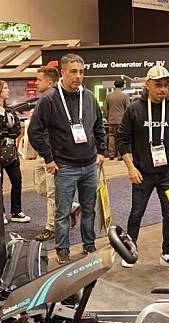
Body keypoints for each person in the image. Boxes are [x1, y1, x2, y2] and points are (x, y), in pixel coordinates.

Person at [28, 54, 106, 264]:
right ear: (62, 72)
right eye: (73, 71)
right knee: (62, 212)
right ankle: (62, 249)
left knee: (88, 208)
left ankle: (89, 244)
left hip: (90, 164)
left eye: (81, 72)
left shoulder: (88, 97)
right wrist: (48, 158)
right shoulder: (49, 99)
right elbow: (34, 132)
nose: (78, 76)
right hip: (64, 167)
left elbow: (99, 127)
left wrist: (101, 152)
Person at [116, 65, 169, 270]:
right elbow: (122, 139)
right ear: (147, 85)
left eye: (165, 85)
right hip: (142, 172)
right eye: (158, 85)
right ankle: (129, 250)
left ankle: (168, 253)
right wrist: (131, 167)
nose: (162, 90)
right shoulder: (134, 109)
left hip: (167, 173)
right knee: (137, 213)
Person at [30, 66, 81, 242]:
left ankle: (51, 227)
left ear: (49, 82)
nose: (36, 83)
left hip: (53, 155)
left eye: (38, 80)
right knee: (41, 188)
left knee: (53, 192)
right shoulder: (43, 100)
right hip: (41, 153)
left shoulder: (56, 99)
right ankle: (72, 207)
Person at [0, 80, 30, 225]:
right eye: (5, 88)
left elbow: (16, 130)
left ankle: (16, 211)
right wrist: (2, 118)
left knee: (17, 181)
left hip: (11, 153)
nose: (8, 90)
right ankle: (0, 213)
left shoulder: (10, 110)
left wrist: (6, 132)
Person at [103, 79, 130, 160]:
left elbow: (105, 109)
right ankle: (120, 155)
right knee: (121, 138)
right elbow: (128, 109)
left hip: (112, 120)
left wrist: (108, 117)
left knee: (111, 136)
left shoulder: (108, 95)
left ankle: (111, 154)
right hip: (122, 121)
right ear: (123, 86)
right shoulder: (125, 96)